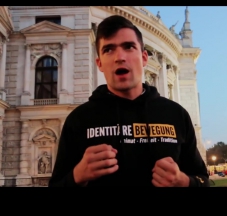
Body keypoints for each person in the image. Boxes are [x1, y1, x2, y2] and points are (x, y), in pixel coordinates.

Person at [48, 15, 209, 187]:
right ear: (99, 63)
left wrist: (184, 181)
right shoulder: (79, 120)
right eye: (108, 50)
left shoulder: (176, 115)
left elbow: (203, 180)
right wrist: (77, 175)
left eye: (129, 47)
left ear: (144, 58)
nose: (119, 57)